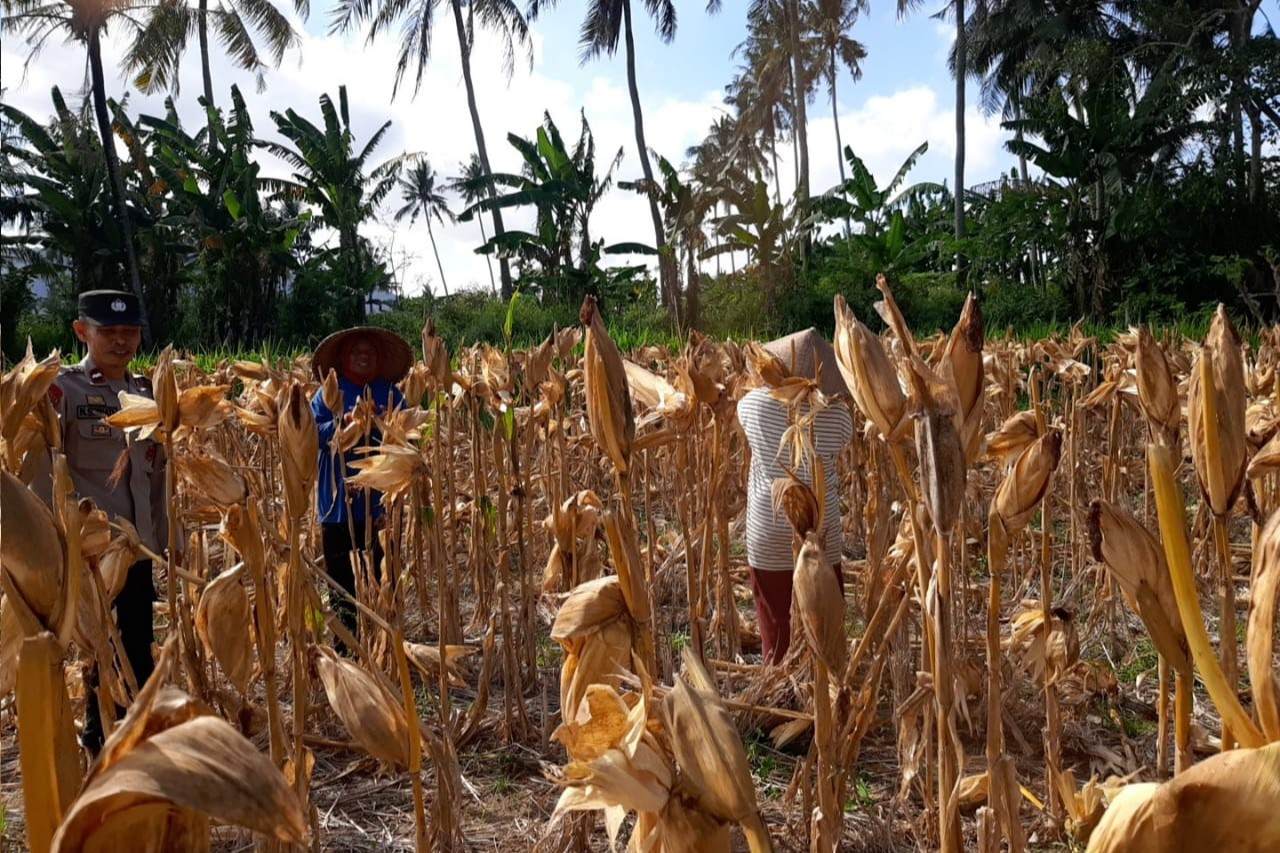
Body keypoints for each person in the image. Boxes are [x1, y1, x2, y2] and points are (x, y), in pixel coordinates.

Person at [37, 290, 167, 754]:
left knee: (136, 644)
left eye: (128, 332)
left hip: (137, 550)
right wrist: (52, 543)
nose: (120, 341)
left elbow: (157, 477)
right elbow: (42, 470)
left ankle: (137, 738)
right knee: (99, 649)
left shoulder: (149, 393)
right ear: (81, 332)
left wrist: (161, 541)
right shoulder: (62, 391)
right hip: (92, 551)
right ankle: (99, 741)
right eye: (107, 332)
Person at [737, 328, 852, 665]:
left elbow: (745, 404)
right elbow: (843, 438)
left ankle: (781, 689)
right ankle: (824, 692)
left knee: (776, 626)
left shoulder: (753, 405)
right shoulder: (836, 416)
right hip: (820, 533)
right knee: (824, 626)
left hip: (768, 528)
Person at [312, 326, 411, 646]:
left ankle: (387, 643)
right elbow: (309, 434)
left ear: (379, 358)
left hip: (381, 504)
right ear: (343, 358)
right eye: (356, 352)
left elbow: (408, 431)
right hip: (337, 504)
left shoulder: (390, 393)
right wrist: (346, 424)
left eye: (369, 352)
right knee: (342, 582)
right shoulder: (329, 392)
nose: (363, 357)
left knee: (385, 575)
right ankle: (347, 644)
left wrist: (384, 422)